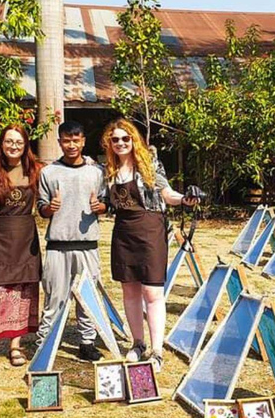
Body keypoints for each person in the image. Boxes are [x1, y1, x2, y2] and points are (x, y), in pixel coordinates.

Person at [101, 118, 199, 372]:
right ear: (109, 144)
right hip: (123, 231)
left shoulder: (150, 165)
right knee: (130, 291)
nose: (121, 143)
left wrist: (185, 200)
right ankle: (137, 343)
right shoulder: (108, 171)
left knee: (153, 293)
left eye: (126, 138)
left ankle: (157, 350)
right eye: (116, 140)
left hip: (151, 229)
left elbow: (168, 194)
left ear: (134, 139)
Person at [37, 120, 108, 362]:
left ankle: (87, 342)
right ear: (59, 142)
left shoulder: (97, 172)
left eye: (76, 140)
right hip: (58, 245)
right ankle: (45, 342)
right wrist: (50, 207)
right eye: (66, 140)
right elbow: (41, 208)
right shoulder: (48, 172)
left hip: (88, 244)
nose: (71, 145)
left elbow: (105, 203)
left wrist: (100, 207)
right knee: (54, 296)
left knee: (87, 296)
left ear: (83, 141)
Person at [0, 125, 42, 366]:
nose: (13, 146)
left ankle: (16, 345)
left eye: (19, 142)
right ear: (1, 144)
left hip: (26, 238)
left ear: (26, 145)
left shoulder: (36, 170)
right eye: (9, 141)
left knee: (23, 292)